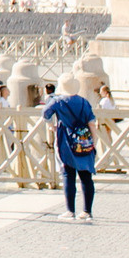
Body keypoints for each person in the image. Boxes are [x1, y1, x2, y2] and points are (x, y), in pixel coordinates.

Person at [42, 79, 99, 222]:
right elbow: (92, 123)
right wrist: (94, 142)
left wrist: (52, 126)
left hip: (66, 141)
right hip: (84, 141)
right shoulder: (84, 102)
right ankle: (87, 211)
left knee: (68, 174)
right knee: (86, 176)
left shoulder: (57, 101)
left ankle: (70, 211)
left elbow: (45, 114)